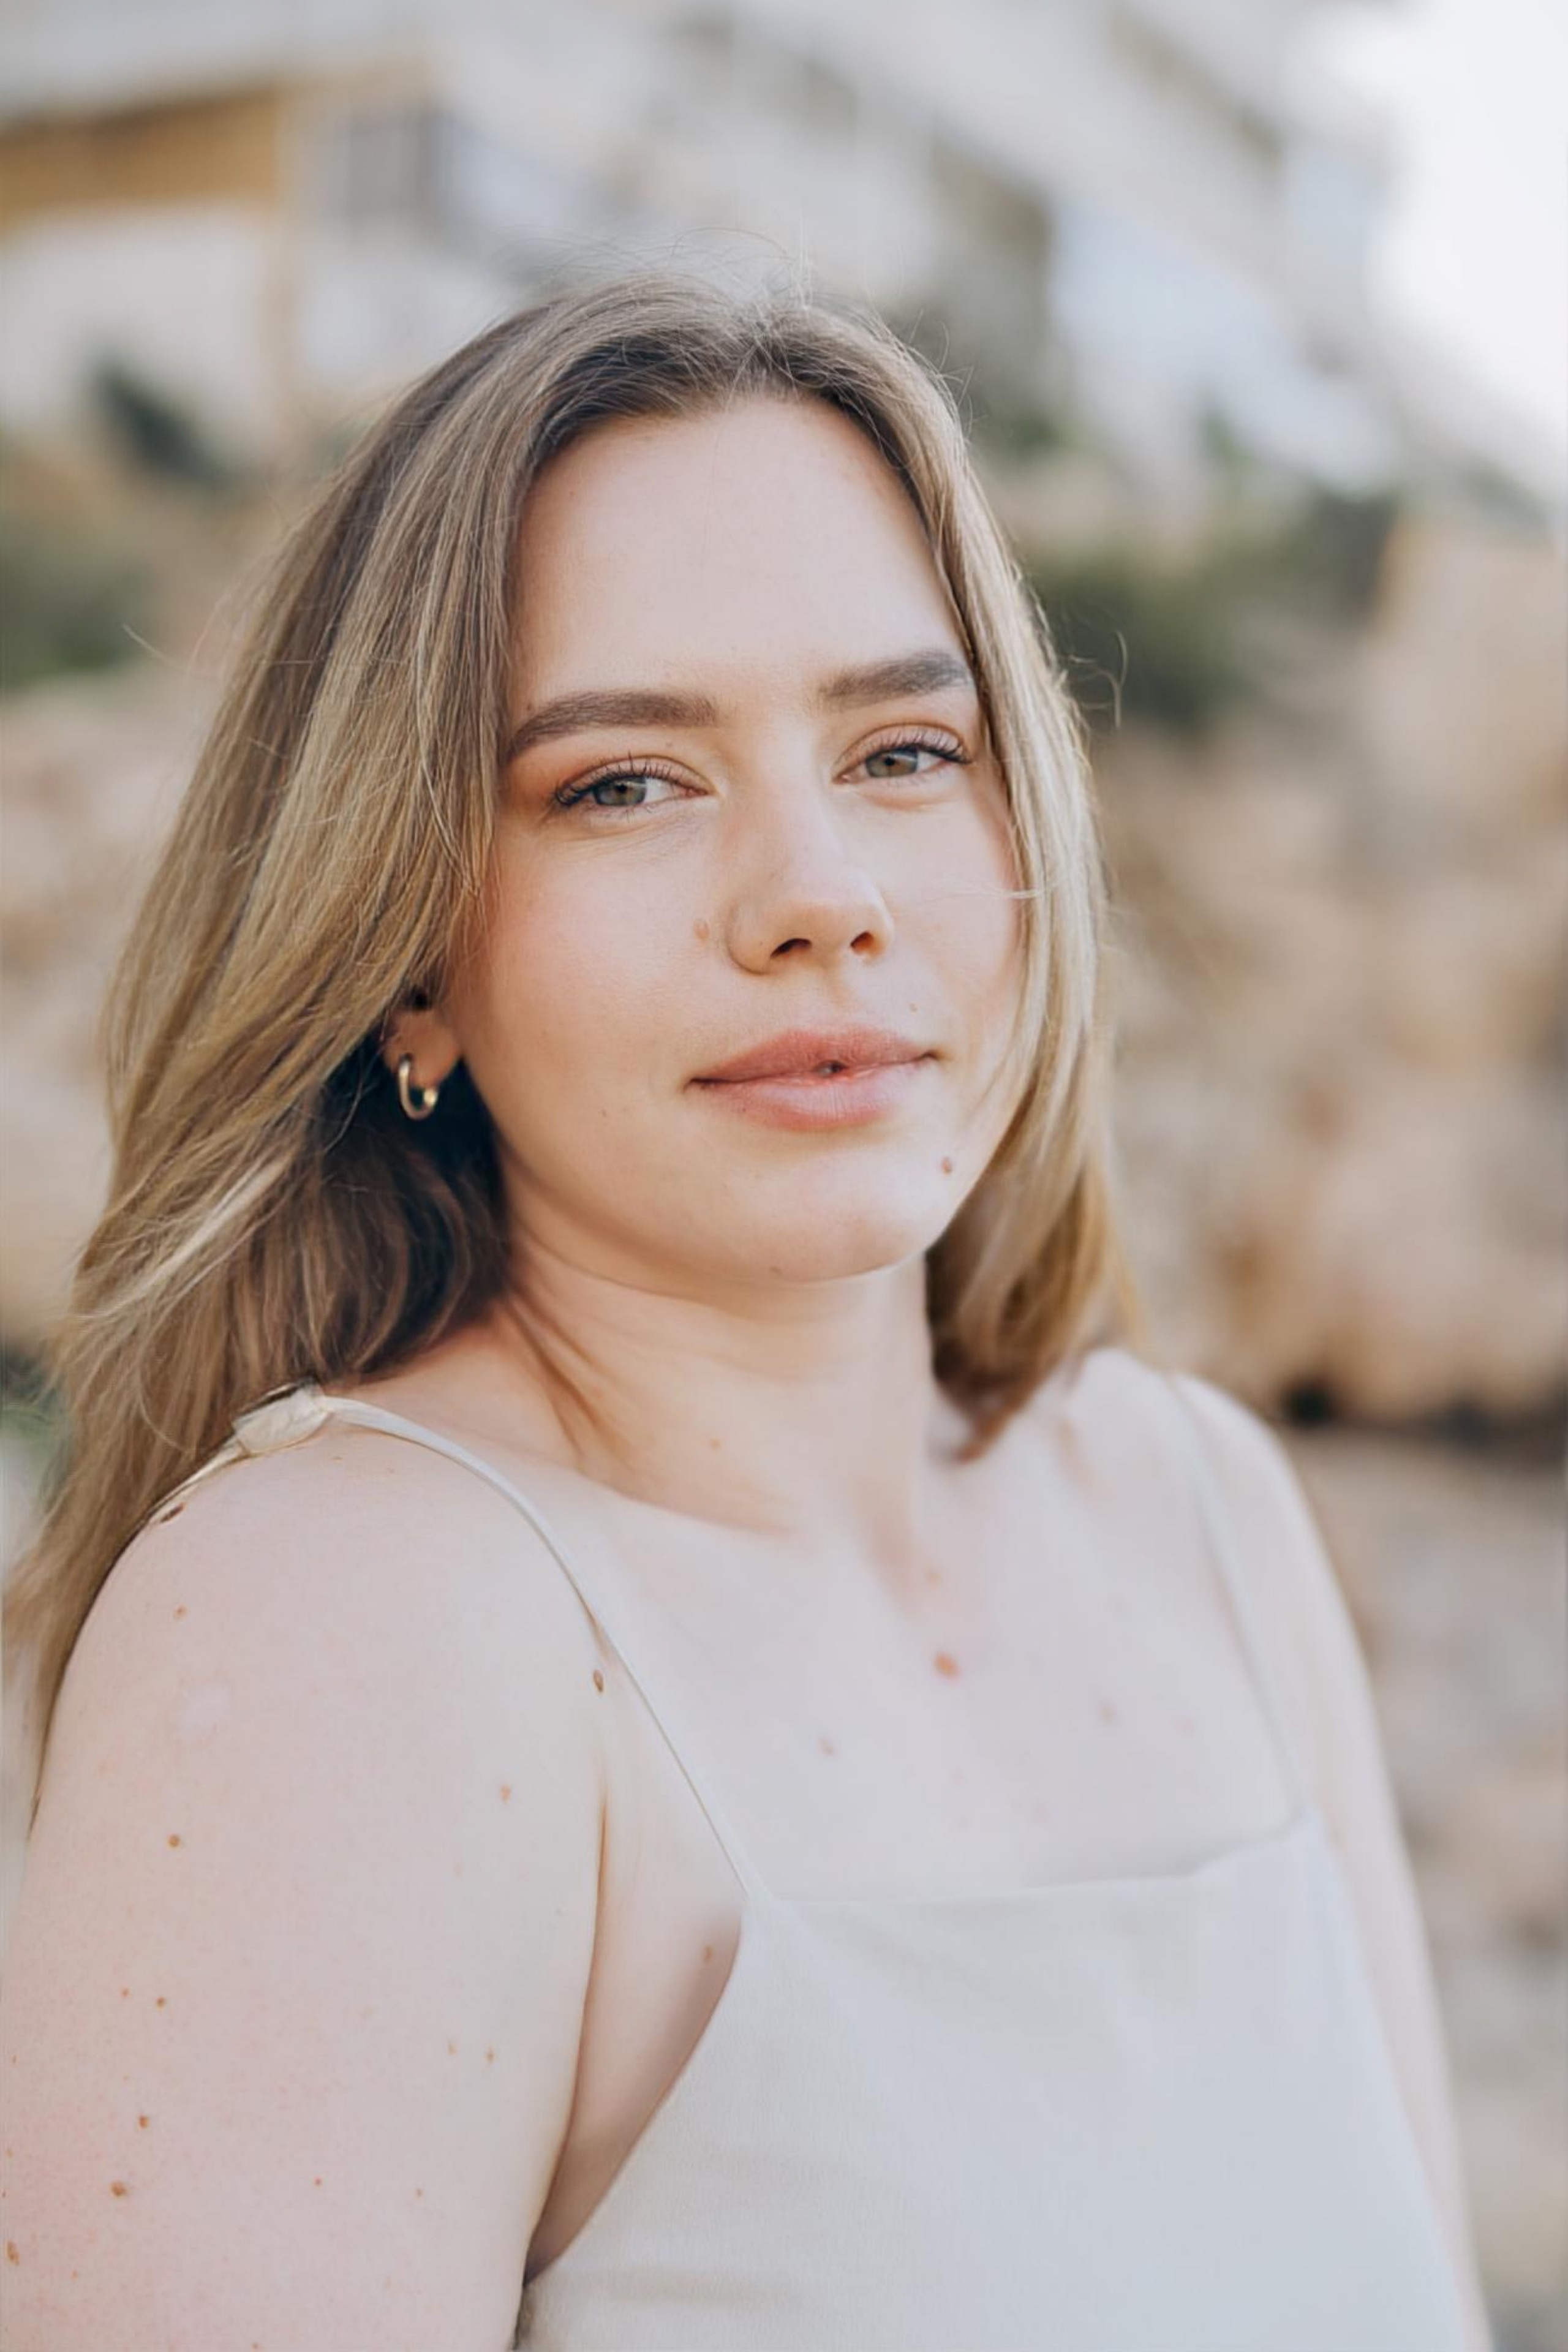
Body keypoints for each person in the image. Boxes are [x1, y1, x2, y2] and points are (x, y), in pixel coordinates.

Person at [0, 268, 1488, 2350]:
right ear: (407, 950)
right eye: (623, 781)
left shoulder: (1203, 1507)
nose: (820, 893)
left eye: (902, 749)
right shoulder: (344, 1620)